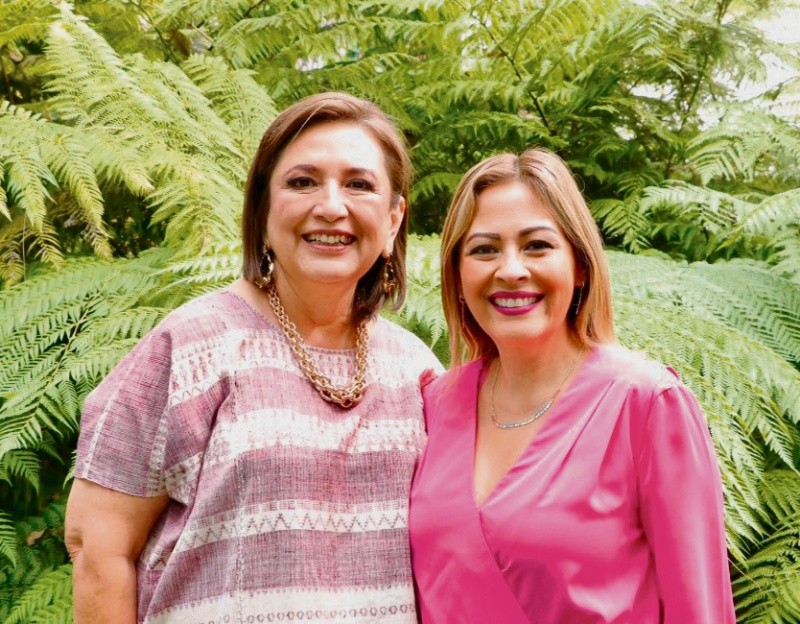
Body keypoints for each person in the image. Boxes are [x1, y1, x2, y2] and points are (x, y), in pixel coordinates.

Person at [65, 92, 442, 624]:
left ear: (393, 219)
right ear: (262, 211)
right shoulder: (192, 346)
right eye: (302, 182)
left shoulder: (415, 369)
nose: (331, 206)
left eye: (359, 184)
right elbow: (98, 547)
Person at [409, 149, 735, 623]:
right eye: (484, 250)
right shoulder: (434, 404)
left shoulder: (646, 403)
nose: (511, 269)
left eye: (537, 245)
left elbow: (699, 609)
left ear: (580, 265)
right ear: (457, 275)